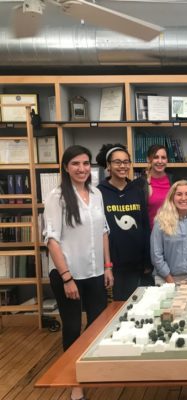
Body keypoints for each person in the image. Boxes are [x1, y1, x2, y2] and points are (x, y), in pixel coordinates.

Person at [43, 145, 112, 400]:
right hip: (68, 274)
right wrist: (67, 278)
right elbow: (52, 240)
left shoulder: (96, 193)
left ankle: (90, 369)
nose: (81, 169)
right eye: (75, 164)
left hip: (95, 271)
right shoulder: (57, 197)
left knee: (96, 325)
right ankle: (76, 383)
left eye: (85, 163)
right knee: (72, 327)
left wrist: (107, 266)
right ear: (65, 167)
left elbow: (103, 231)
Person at [96, 143, 151, 300]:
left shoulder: (137, 190)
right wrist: (106, 264)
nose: (123, 166)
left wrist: (147, 260)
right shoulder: (99, 192)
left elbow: (145, 225)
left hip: (136, 262)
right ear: (108, 165)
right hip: (113, 263)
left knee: (138, 304)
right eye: (117, 162)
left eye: (126, 162)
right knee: (118, 306)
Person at [150, 180, 187, 283]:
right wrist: (170, 280)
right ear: (172, 197)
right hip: (165, 279)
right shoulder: (161, 221)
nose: (183, 198)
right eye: (179, 194)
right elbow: (156, 254)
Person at [134, 144, 174, 285]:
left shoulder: (174, 181)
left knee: (170, 280)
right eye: (156, 157)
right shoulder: (139, 184)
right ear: (148, 159)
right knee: (151, 283)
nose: (160, 161)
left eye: (163, 157)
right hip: (148, 240)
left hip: (171, 238)